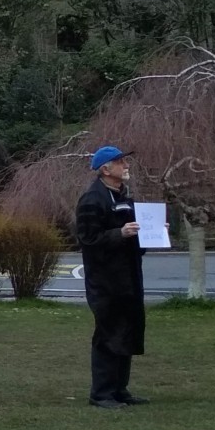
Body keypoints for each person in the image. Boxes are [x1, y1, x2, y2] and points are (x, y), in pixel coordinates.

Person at [75, 147, 148, 409]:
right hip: (105, 281)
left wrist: (151, 234)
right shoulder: (92, 200)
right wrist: (120, 234)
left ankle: (120, 389)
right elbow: (88, 239)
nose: (126, 165)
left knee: (126, 332)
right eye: (120, 161)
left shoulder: (124, 197)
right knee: (108, 335)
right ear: (105, 169)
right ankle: (101, 393)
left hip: (128, 278)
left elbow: (134, 239)